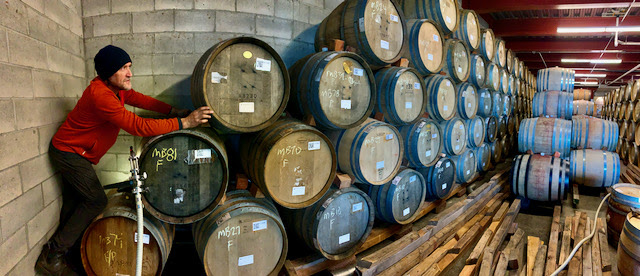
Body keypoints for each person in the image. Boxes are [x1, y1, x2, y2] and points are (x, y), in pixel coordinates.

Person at [35, 45, 213, 275]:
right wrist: (185, 123)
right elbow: (137, 126)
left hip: (76, 152)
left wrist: (171, 110)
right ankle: (52, 257)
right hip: (68, 153)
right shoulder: (101, 95)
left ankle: (63, 254)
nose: (130, 73)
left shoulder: (116, 89)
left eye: (130, 67)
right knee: (95, 201)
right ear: (109, 73)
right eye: (123, 68)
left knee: (74, 204)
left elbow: (141, 100)